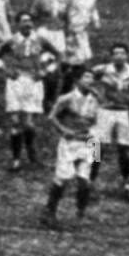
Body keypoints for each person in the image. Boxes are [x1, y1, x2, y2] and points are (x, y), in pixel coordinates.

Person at [42, 68, 100, 227]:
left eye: (91, 78)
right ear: (77, 80)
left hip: (88, 140)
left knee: (84, 180)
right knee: (63, 178)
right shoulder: (66, 98)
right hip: (70, 143)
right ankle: (49, 212)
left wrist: (97, 152)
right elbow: (52, 117)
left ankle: (80, 213)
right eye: (86, 77)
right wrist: (63, 130)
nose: (89, 81)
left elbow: (97, 122)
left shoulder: (95, 99)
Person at [89, 44, 129, 200]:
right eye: (115, 53)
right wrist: (94, 93)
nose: (119, 56)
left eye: (122, 53)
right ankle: (88, 182)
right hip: (104, 111)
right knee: (96, 147)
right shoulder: (102, 69)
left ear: (127, 55)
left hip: (125, 113)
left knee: (125, 150)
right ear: (111, 56)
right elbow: (83, 78)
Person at [0, 11, 45, 172]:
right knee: (15, 122)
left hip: (33, 82)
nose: (28, 23)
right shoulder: (12, 41)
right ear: (17, 24)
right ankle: (16, 159)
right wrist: (5, 70)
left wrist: (46, 71)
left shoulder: (40, 40)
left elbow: (58, 55)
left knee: (28, 123)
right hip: (16, 82)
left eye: (29, 20)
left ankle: (31, 152)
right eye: (24, 21)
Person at [31, 0, 67, 111]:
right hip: (46, 34)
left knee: (59, 68)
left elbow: (64, 17)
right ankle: (44, 100)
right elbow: (33, 16)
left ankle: (51, 98)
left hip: (59, 35)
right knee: (47, 68)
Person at [61, 0, 100, 90]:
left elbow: (93, 8)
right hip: (72, 32)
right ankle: (68, 91)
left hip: (84, 31)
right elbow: (62, 11)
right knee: (73, 63)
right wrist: (66, 30)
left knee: (83, 60)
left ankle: (78, 89)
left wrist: (96, 21)